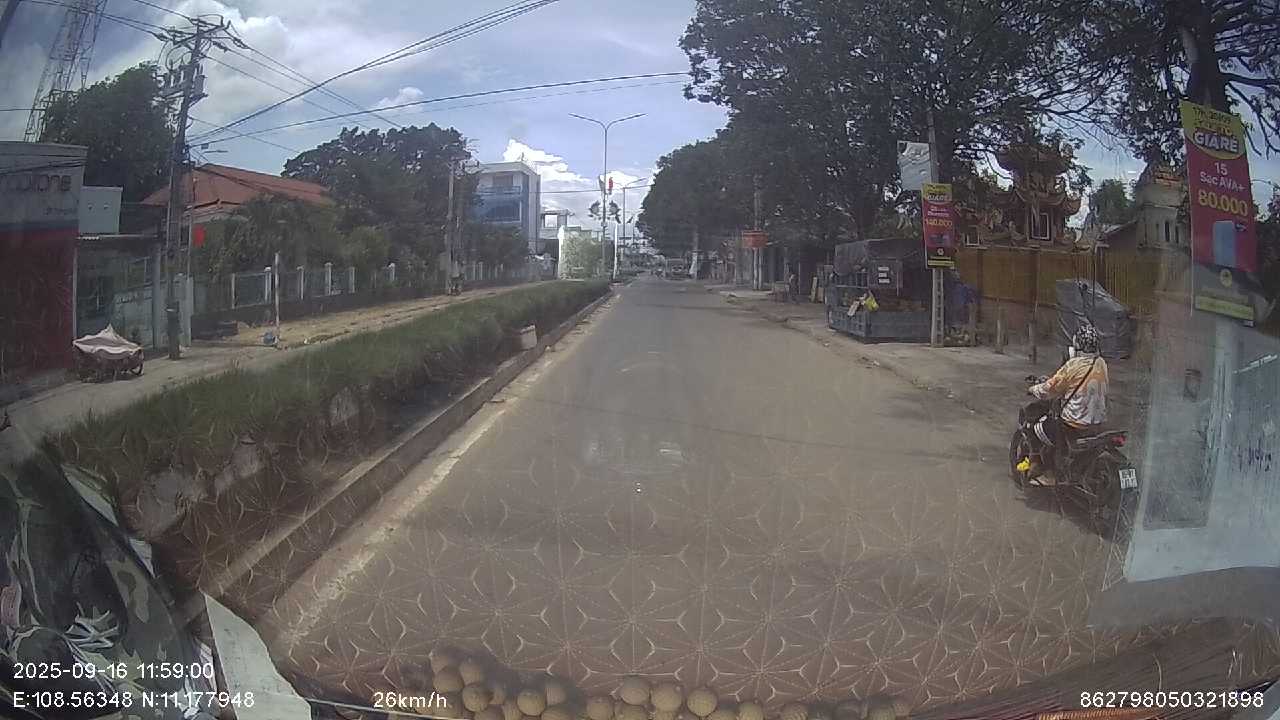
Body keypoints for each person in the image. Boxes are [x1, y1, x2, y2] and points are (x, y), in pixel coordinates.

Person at [1025, 322, 1108, 486]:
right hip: (1097, 423)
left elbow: (1050, 389)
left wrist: (1033, 389)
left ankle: (1049, 474)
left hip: (1074, 424)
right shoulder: (1102, 364)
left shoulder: (1073, 366)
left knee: (1038, 428)